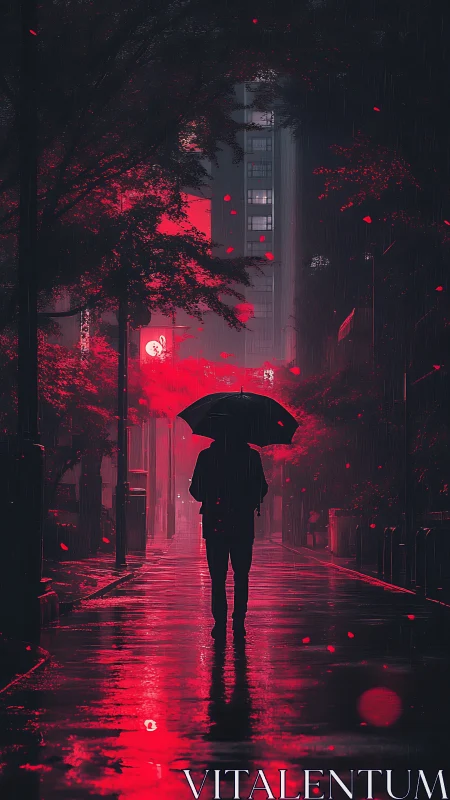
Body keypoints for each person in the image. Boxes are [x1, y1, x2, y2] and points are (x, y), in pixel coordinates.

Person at [189, 425, 268, 640]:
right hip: (243, 523)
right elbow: (263, 488)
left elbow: (195, 489)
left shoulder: (206, 456)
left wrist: (213, 495)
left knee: (218, 577)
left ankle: (220, 622)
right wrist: (246, 500)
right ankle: (239, 622)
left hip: (215, 523)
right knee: (241, 576)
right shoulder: (251, 457)